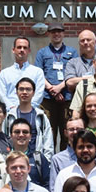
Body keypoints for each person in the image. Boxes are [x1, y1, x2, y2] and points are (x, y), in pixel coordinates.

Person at [34, 22, 78, 151]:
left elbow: (74, 74)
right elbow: (39, 73)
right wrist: (51, 89)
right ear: (49, 34)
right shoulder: (42, 52)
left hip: (67, 98)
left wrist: (60, 87)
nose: (56, 34)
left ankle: (66, 159)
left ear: (63, 34)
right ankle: (49, 162)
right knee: (49, 132)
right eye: (53, 32)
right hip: (47, 99)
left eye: (59, 31)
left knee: (67, 131)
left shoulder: (72, 52)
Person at [4, 79, 54, 178]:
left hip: (35, 162)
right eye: (21, 89)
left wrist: (45, 163)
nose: (24, 92)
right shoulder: (10, 116)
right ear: (16, 92)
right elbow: (5, 138)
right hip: (14, 162)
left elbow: (48, 142)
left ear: (33, 92)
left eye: (28, 89)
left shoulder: (41, 116)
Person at [50, 117, 96, 181]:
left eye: (79, 129)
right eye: (71, 129)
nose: (75, 132)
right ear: (65, 133)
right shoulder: (57, 160)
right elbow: (54, 187)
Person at [0, 36, 45, 110]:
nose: (22, 50)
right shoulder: (4, 73)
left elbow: (39, 93)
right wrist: (12, 108)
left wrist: (27, 108)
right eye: (19, 47)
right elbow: (2, 95)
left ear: (29, 50)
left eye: (25, 47)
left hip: (31, 112)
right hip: (10, 113)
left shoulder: (37, 72)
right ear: (13, 50)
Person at [8, 116, 51, 191]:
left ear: (30, 136)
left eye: (25, 132)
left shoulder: (38, 158)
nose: (21, 135)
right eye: (17, 132)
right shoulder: (5, 158)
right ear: (11, 136)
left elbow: (47, 184)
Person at [64, 29, 96, 94]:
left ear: (95, 42)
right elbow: (70, 82)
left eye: (88, 40)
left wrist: (78, 80)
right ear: (79, 44)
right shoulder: (72, 63)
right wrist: (95, 78)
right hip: (79, 101)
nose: (85, 42)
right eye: (82, 40)